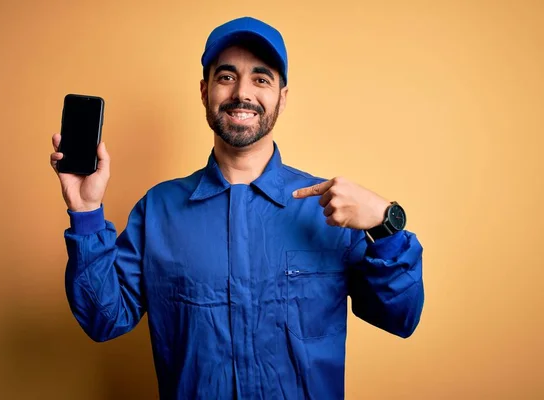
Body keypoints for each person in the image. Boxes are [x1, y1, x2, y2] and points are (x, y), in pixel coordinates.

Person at [49, 16, 424, 400]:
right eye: (226, 76)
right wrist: (86, 210)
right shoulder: (158, 211)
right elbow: (103, 318)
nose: (242, 92)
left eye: (261, 79)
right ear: (204, 91)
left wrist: (385, 225)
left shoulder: (330, 209)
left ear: (282, 96)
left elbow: (401, 316)